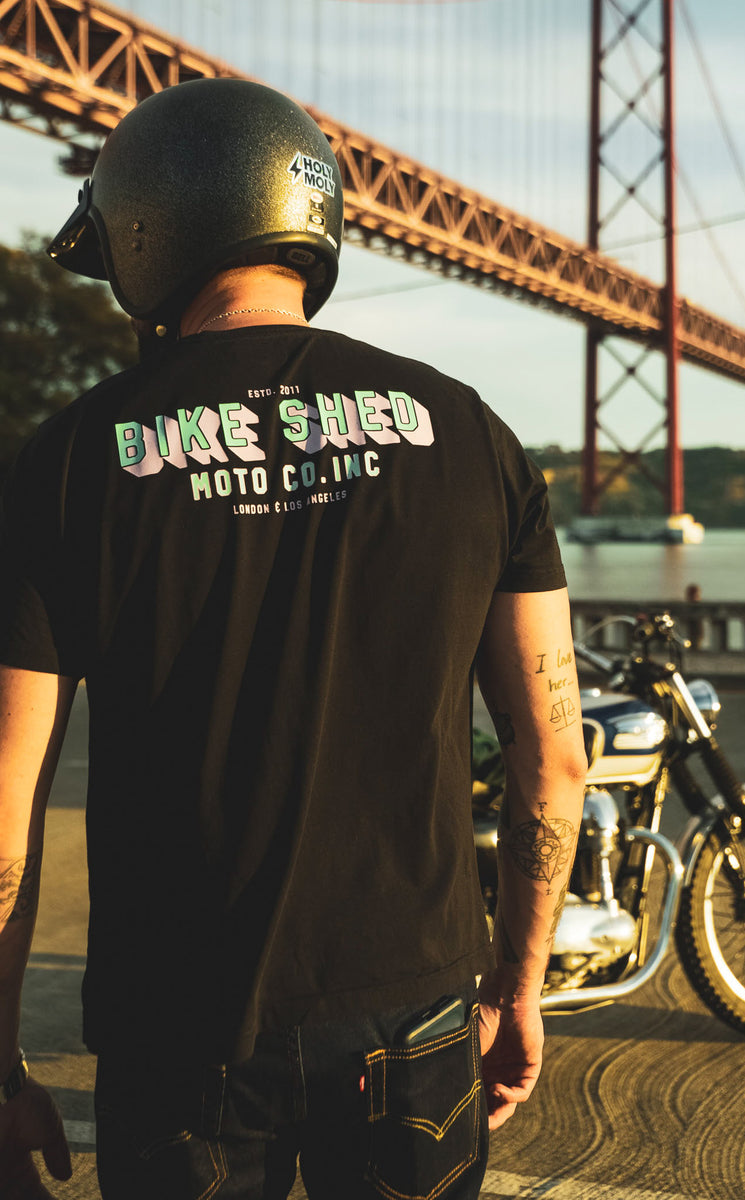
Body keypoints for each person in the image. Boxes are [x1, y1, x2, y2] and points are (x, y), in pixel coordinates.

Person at [0, 79, 586, 1199]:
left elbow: (1, 798)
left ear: (151, 229)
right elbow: (554, 762)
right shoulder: (473, 432)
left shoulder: (71, 460)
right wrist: (519, 988)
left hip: (178, 1024)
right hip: (416, 1015)